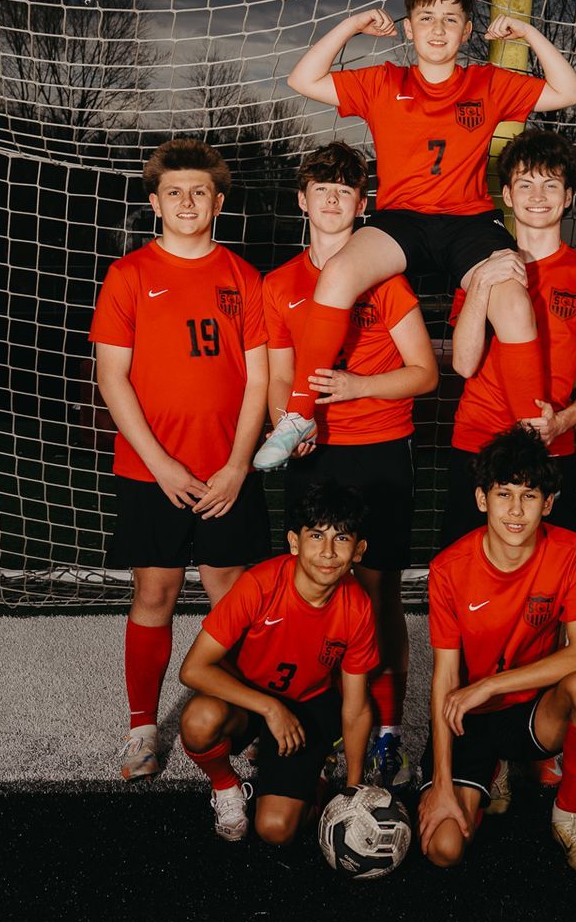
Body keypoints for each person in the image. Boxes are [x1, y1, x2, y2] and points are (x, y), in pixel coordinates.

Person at [253, 0, 576, 470]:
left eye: (451, 20)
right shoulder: (383, 82)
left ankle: (528, 431)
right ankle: (298, 414)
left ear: (467, 31)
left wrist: (527, 32)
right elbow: (303, 78)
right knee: (339, 273)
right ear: (407, 28)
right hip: (401, 220)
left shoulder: (487, 83)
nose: (437, 29)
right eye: (426, 18)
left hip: (468, 221)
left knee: (515, 302)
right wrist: (352, 25)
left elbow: (569, 92)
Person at [88, 136, 270, 781]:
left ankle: (244, 720)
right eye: (174, 192)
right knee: (155, 592)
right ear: (155, 203)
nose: (187, 202)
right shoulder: (130, 275)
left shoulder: (243, 278)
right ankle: (142, 727)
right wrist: (162, 464)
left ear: (218, 202)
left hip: (226, 473)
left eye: (199, 192)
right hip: (150, 471)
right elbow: (112, 378)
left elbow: (258, 381)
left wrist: (238, 465)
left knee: (233, 600)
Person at [263, 141, 437, 788]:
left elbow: (424, 373)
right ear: (303, 201)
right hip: (317, 457)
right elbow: (280, 379)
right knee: (314, 590)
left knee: (378, 593)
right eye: (322, 191)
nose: (333, 202)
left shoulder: (384, 281)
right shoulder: (278, 285)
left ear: (362, 207)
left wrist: (355, 388)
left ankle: (387, 731)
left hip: (382, 452)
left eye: (346, 193)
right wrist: (292, 421)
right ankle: (331, 721)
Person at [418, 426, 576, 875]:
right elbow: (445, 678)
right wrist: (443, 784)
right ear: (482, 499)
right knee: (443, 849)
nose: (516, 510)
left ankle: (569, 815)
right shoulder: (448, 570)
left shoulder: (570, 552)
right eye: (504, 494)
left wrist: (489, 686)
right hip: (469, 719)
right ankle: (492, 769)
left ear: (547, 504)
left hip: (531, 711)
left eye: (529, 496)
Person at [176, 482, 380, 844]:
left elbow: (356, 705)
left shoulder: (358, 607)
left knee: (274, 830)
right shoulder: (259, 585)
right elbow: (192, 669)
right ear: (295, 542)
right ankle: (226, 788)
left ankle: (314, 781)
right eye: (316, 535)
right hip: (248, 696)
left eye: (342, 539)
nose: (328, 552)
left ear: (359, 550)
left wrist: (354, 791)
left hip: (307, 705)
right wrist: (269, 707)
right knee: (198, 720)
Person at [442, 128, 576, 548]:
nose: (538, 195)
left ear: (568, 195)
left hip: (551, 447)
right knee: (465, 576)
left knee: (549, 585)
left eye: (550, 184)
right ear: (507, 194)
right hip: (478, 440)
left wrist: (561, 422)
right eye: (526, 183)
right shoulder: (479, 267)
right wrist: (483, 283)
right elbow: (464, 364)